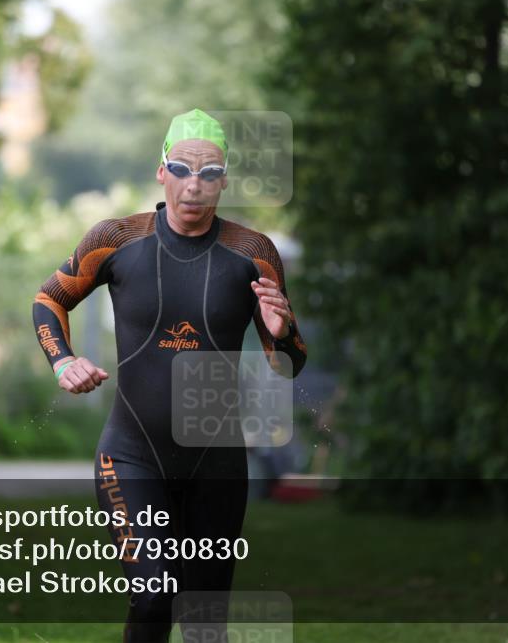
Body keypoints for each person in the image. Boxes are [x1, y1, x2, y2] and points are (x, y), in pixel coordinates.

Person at [32, 108, 307, 641]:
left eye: (209, 173)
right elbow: (49, 300)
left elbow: (287, 364)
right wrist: (62, 359)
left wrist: (282, 328)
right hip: (132, 456)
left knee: (205, 623)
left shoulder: (254, 254)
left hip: (218, 464)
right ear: (161, 171)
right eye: (182, 168)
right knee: (154, 597)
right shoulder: (116, 238)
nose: (194, 185)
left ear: (224, 179)